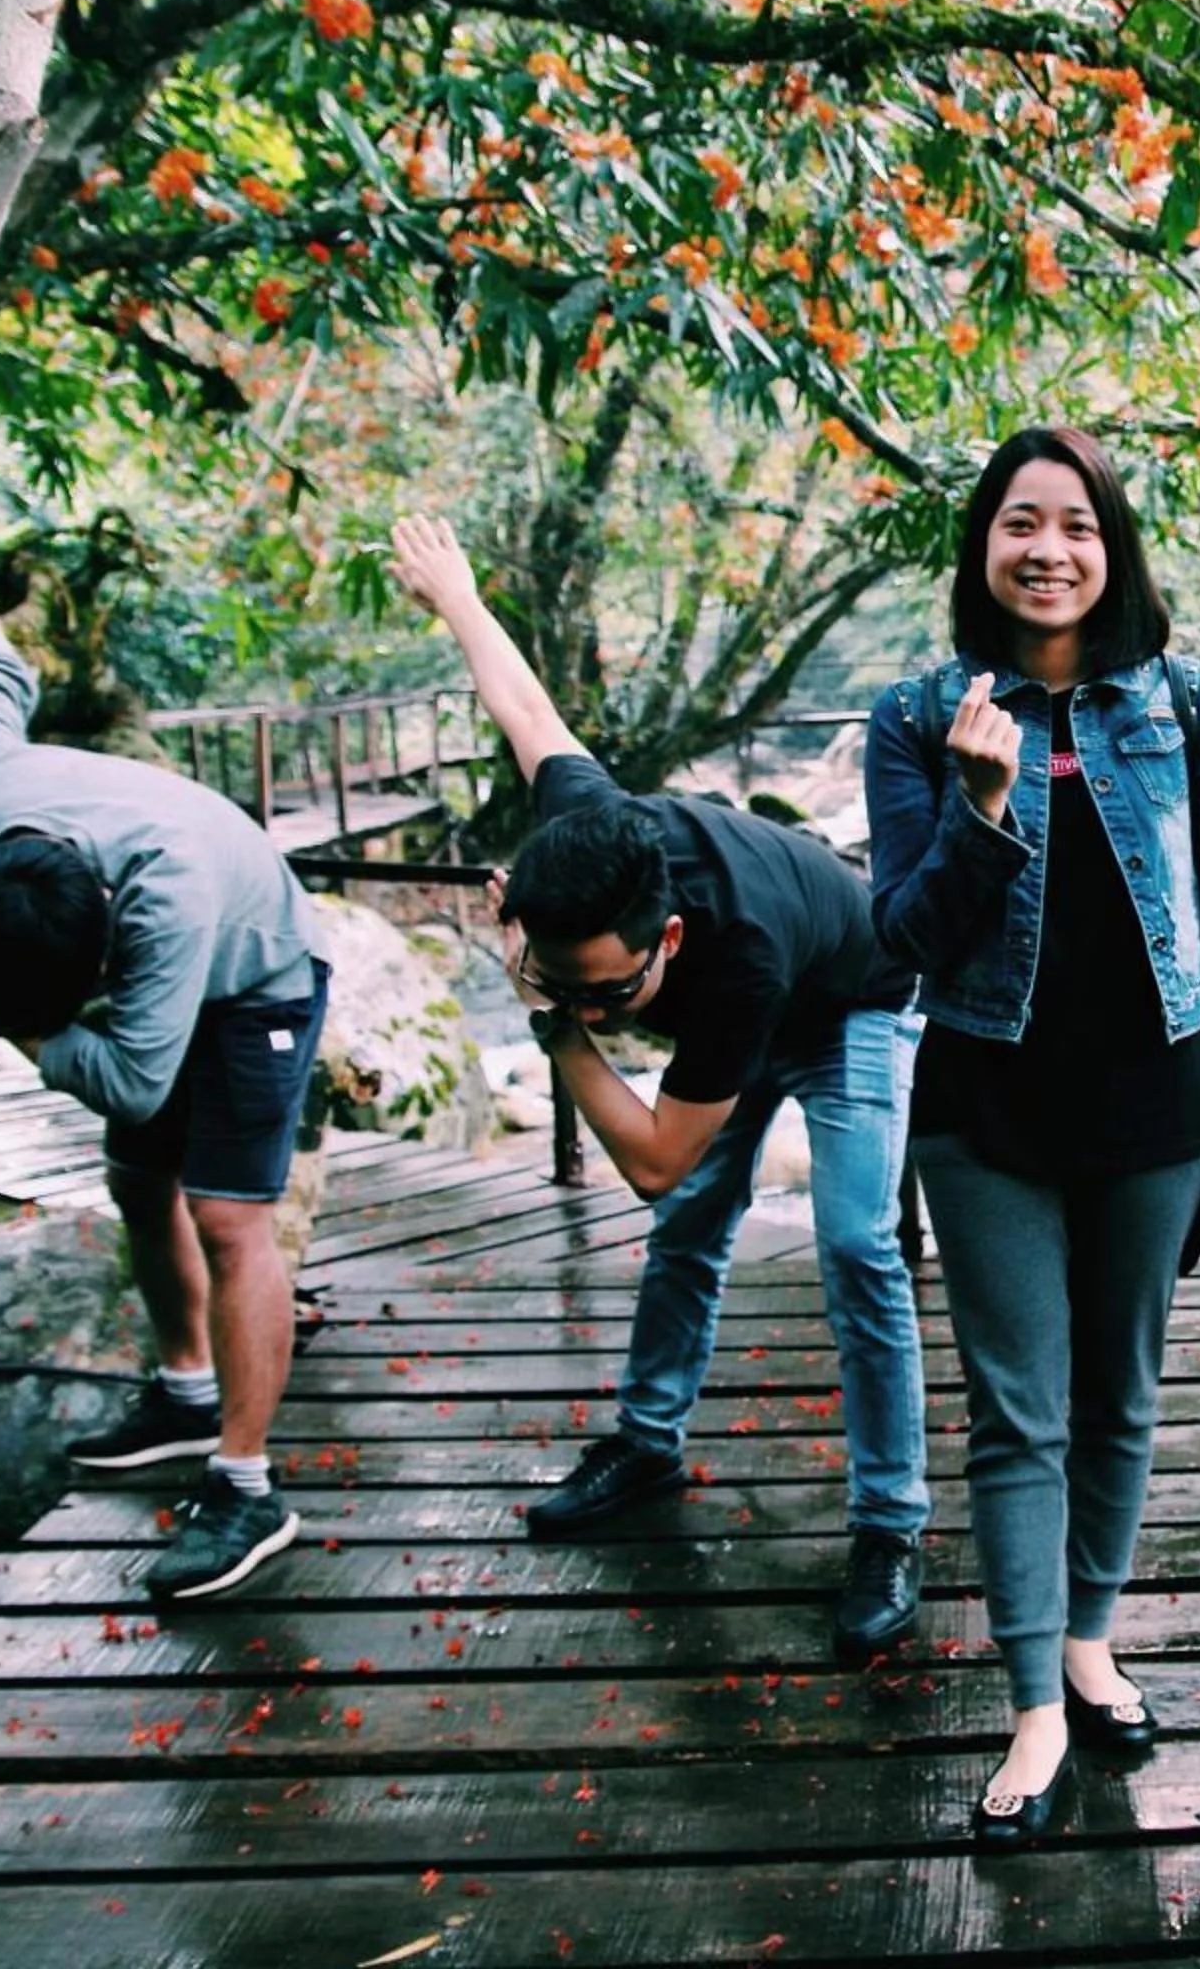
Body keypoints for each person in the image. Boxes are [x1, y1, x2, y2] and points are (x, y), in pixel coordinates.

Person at [385, 516, 931, 1660]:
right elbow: (528, 713)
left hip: (851, 1001)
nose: (590, 1006)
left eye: (609, 991)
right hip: (750, 1003)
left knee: (853, 1244)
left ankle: (889, 1521)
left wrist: (548, 1021)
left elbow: (649, 1158)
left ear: (668, 938)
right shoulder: (586, 841)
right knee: (691, 1232)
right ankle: (648, 1437)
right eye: (563, 979)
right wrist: (458, 596)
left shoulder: (736, 956)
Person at [864, 427, 1200, 1849]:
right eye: (1021, 523)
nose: (1050, 549)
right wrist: (978, 812)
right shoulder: (919, 716)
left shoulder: (1183, 703)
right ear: (983, 548)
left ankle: (1092, 1638)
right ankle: (1036, 1700)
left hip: (1160, 1109)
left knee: (1125, 1395)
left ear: (1114, 551)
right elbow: (902, 943)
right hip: (988, 1112)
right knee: (1018, 1412)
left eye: (1079, 525)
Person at [0, 505, 330, 1602]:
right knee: (137, 1179)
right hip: (138, 957)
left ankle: (246, 1485)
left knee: (230, 1213)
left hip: (260, 972)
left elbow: (136, 1072)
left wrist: (11, 1022)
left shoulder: (169, 899)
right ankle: (185, 1391)